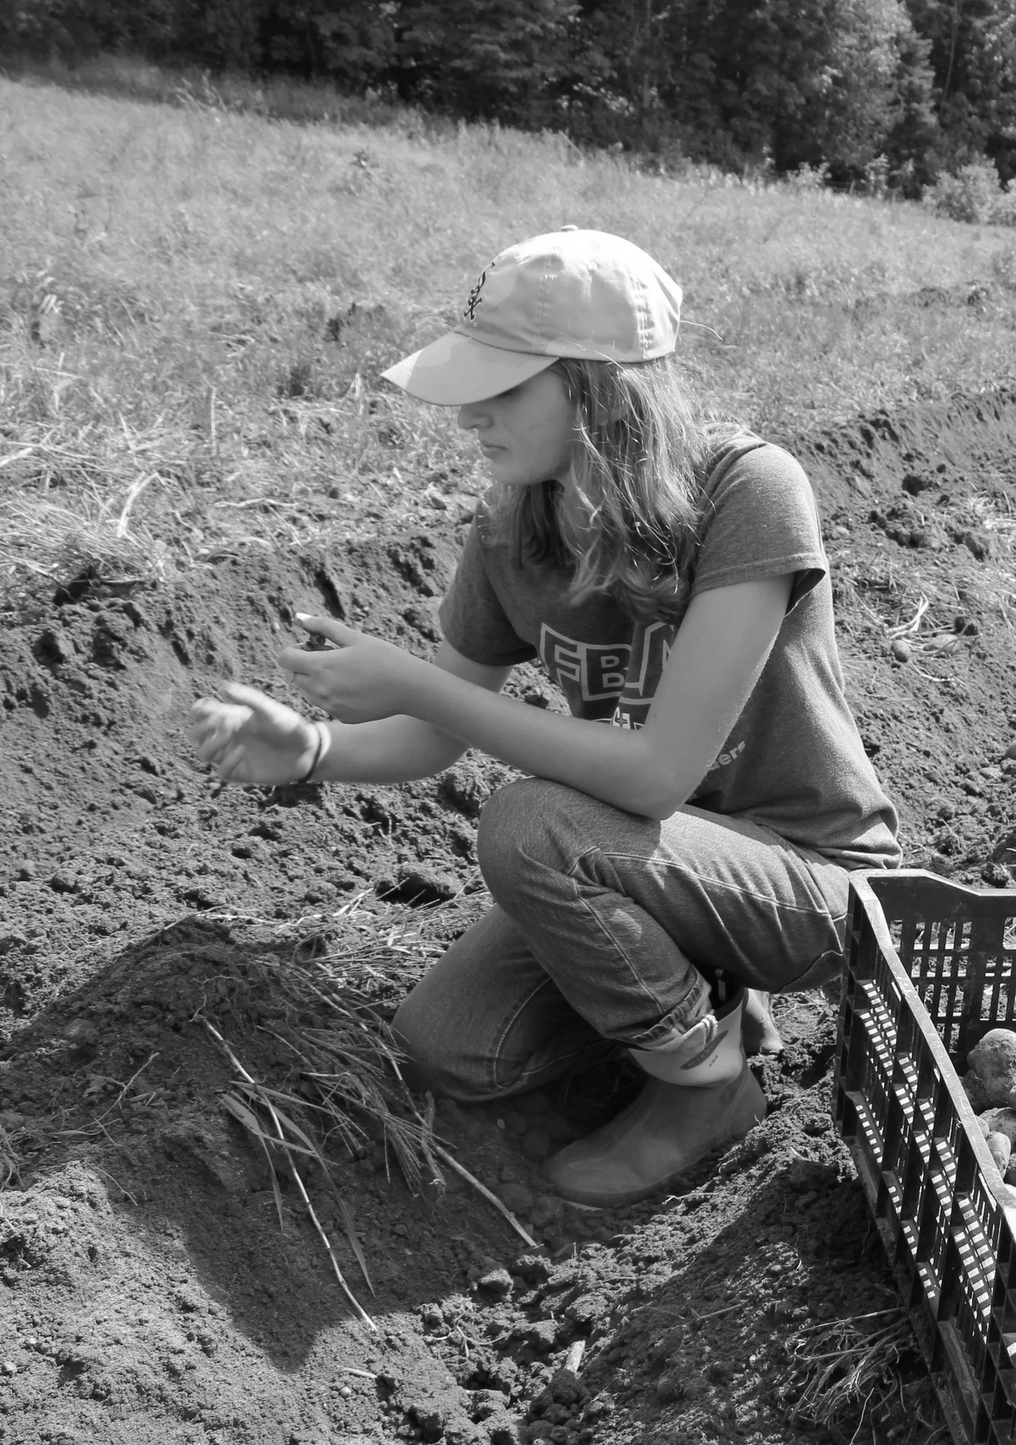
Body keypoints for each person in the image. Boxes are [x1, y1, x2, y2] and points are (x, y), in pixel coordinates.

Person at [188, 228, 899, 1207]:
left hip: (805, 880)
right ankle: (702, 1008)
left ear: (601, 390)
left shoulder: (747, 491)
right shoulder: (512, 528)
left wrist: (417, 683)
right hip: (648, 867)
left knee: (531, 825)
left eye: (507, 389)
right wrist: (310, 746)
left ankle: (706, 1087)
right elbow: (435, 734)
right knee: (453, 1048)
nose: (473, 415)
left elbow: (654, 771)